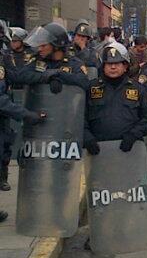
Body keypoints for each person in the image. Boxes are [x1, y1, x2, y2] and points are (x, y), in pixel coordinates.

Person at [0, 22, 46, 200]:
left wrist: (46, 75)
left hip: (5, 114)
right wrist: (28, 115)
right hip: (7, 107)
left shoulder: (5, 58)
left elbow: (17, 76)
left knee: (5, 149)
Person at [83, 43, 147, 157]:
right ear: (103, 66)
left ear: (125, 66)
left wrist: (134, 135)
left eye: (117, 63)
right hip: (97, 153)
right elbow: (80, 117)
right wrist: (87, 137)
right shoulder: (91, 88)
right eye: (109, 63)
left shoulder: (137, 89)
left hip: (128, 152)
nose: (113, 67)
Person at [18, 22, 90, 91]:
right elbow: (22, 76)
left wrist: (60, 75)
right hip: (40, 102)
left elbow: (84, 82)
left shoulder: (74, 63)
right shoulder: (37, 60)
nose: (39, 49)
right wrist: (47, 76)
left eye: (43, 45)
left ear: (56, 46)